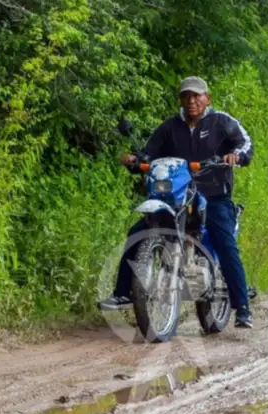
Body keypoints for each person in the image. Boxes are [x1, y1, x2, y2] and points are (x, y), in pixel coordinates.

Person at [98, 76, 255, 329]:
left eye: (196, 96)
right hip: (176, 195)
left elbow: (245, 143)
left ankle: (243, 308)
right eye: (186, 96)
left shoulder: (221, 122)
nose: (191, 101)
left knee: (225, 242)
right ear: (180, 100)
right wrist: (137, 160)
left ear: (207, 98)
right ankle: (124, 292)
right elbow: (150, 152)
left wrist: (236, 155)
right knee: (137, 232)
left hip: (213, 195)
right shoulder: (170, 127)